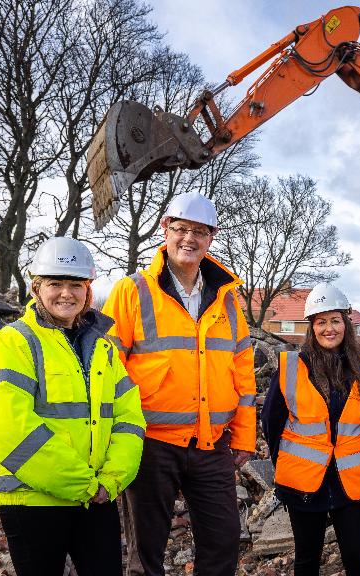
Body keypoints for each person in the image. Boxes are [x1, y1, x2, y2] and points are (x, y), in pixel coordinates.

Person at [103, 192, 256, 576]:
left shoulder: (227, 299)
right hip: (150, 443)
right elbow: (106, 368)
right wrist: (111, 439)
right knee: (146, 553)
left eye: (199, 232)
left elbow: (243, 372)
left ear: (211, 238)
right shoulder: (131, 291)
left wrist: (243, 437)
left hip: (211, 442)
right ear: (165, 230)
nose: (189, 239)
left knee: (223, 542)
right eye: (181, 229)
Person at [0, 237, 145, 576]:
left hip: (97, 497)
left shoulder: (104, 347)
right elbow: (9, 429)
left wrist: (110, 481)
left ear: (88, 289)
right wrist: (84, 485)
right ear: (36, 287)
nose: (66, 293)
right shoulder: (15, 341)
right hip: (33, 501)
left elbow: (129, 420)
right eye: (55, 283)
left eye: (76, 284)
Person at [261, 283, 360, 576]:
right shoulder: (292, 367)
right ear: (311, 327)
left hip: (350, 482)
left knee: (359, 559)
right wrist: (286, 465)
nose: (329, 328)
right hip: (303, 482)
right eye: (321, 321)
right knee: (307, 559)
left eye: (335, 320)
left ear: (346, 323)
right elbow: (271, 421)